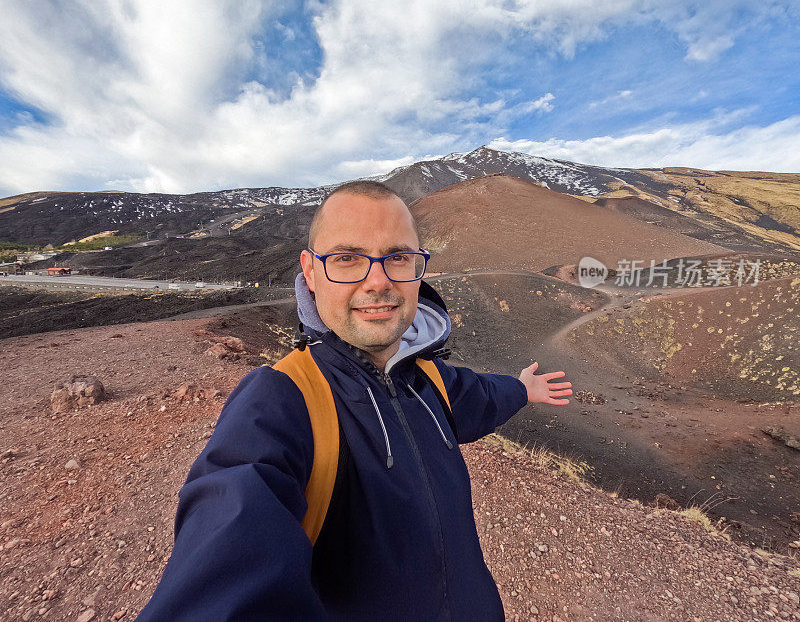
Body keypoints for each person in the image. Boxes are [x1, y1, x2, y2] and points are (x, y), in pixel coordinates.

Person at [137, 181, 573, 621]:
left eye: (398, 257)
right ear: (310, 272)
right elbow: (229, 550)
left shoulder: (429, 379)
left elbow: (480, 397)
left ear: (420, 269)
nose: (378, 281)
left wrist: (522, 389)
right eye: (347, 259)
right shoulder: (280, 400)